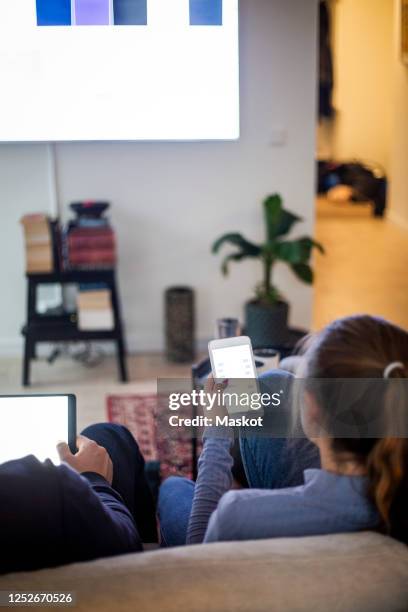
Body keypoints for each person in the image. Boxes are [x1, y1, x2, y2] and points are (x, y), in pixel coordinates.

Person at [158, 315, 408, 546]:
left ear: (312, 410)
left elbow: (198, 555)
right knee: (274, 383)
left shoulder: (237, 515)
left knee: (172, 488)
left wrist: (217, 428)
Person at [0, 423, 157, 574]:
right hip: (118, 567)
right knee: (109, 433)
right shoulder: (42, 488)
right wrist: (94, 480)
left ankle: (152, 475)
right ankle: (153, 547)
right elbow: (125, 545)